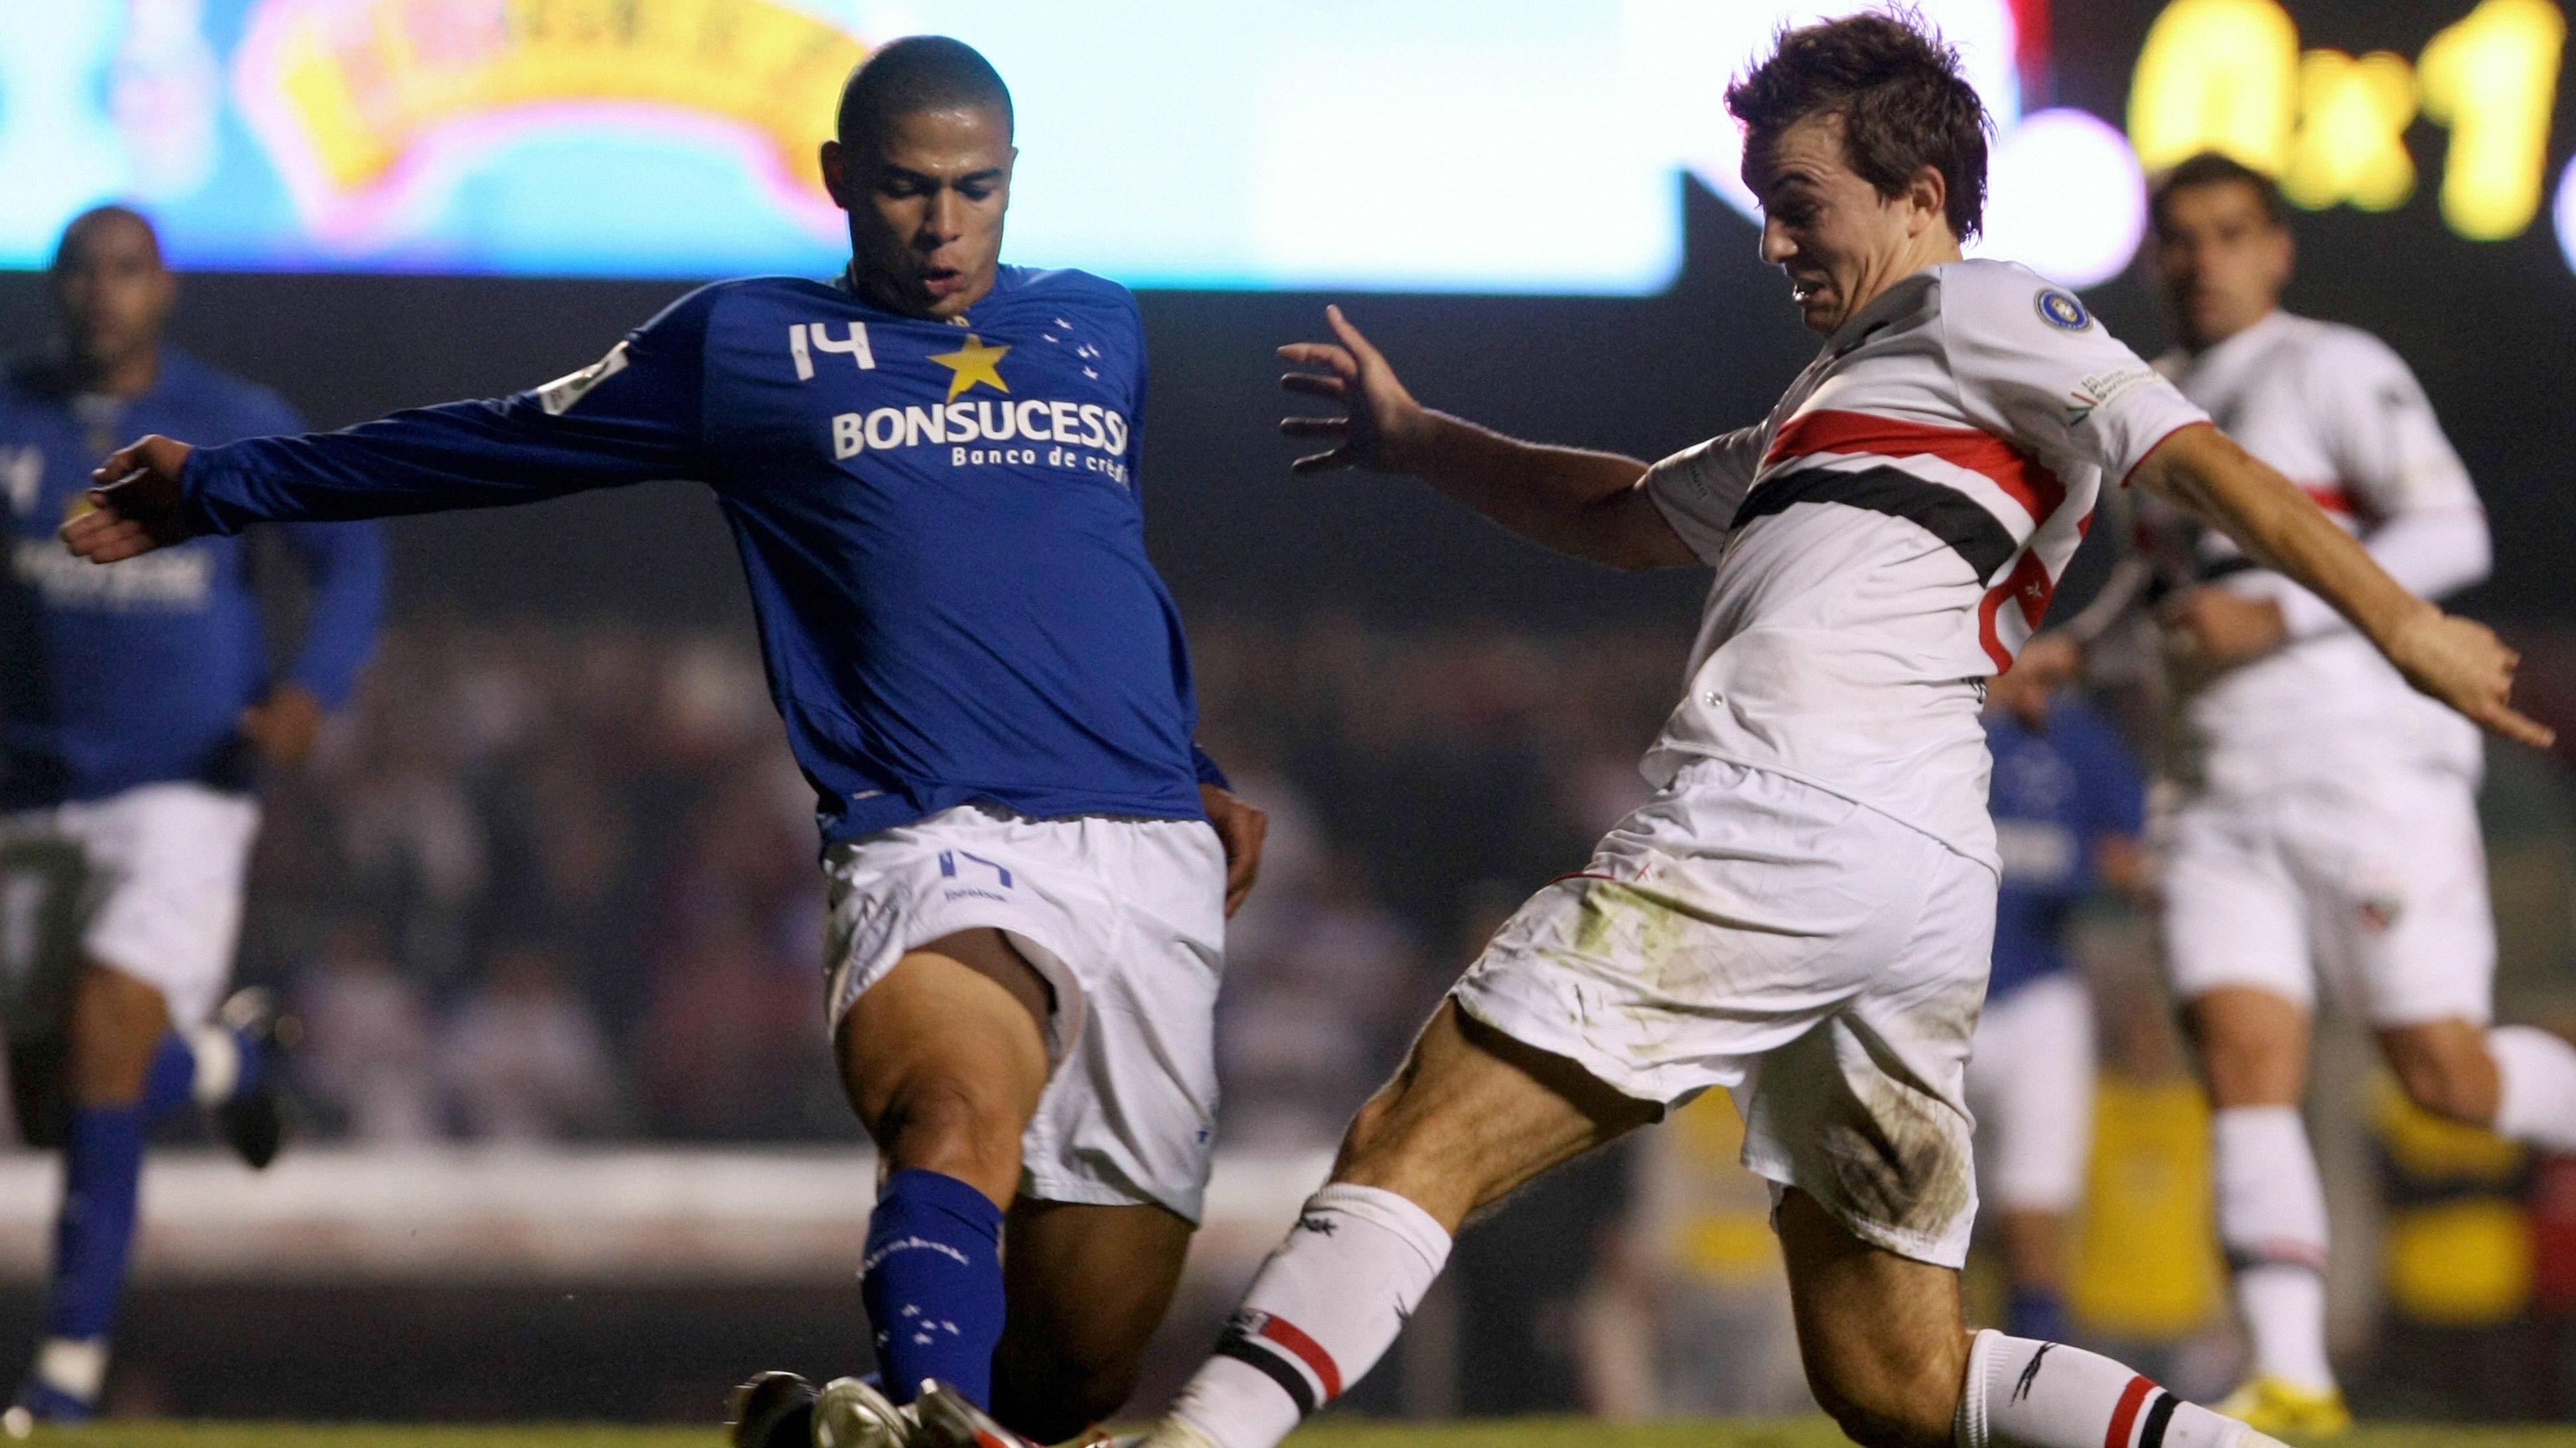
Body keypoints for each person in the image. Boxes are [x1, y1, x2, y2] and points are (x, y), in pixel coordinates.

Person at [883, 15, 2551, 1448]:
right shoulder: (1844, 399)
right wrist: (1418, 437)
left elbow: (2190, 455)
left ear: (1918, 196)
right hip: (1908, 872)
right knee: (1894, 1379)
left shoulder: (1991, 315)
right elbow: (1618, 508)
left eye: (1798, 202)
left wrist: (2398, 622)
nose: (1768, 241)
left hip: (1780, 814)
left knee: (1423, 1128)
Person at [59, 36, 1265, 1448]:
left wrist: (1198, 762)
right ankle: (933, 1417)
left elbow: (1098, 567)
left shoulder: (1098, 325)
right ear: (835, 180)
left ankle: (888, 1423)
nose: (942, 226)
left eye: (974, 189)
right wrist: (225, 488)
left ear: (1014, 184)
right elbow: (497, 441)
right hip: (937, 834)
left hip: (1148, 848)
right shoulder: (748, 345)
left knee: (1084, 1369)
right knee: (950, 1108)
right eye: (903, 188)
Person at [2133, 151, 2576, 1434]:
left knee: (2442, 1074)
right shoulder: (2145, 403)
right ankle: (2292, 1377)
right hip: (2211, 785)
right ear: (2158, 256)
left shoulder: (2329, 365)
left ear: (2276, 250)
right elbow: (2170, 601)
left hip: (2361, 769)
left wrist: (2268, 614)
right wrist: (2076, 645)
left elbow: (2452, 532)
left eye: (2229, 233)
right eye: (2181, 237)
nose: (2204, 258)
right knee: (2241, 1057)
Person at [0, 205, 385, 1422]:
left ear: (162, 289)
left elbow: (348, 551)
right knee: (63, 1100)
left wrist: (310, 689)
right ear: (55, 288)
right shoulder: (10, 414)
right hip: (26, 790)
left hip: (183, 784)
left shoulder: (228, 420)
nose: (102, 292)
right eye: (82, 272)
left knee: (108, 1034)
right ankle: (228, 1057)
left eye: (126, 271)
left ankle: (62, 1381)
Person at [1969, 652, 2147, 1344]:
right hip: (1929, 990)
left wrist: (2089, 867)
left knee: (2036, 1199)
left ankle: (2037, 1362)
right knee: (1927, 1206)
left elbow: (2134, 855)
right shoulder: (1929, 724)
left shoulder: (2076, 740)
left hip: (2038, 985)